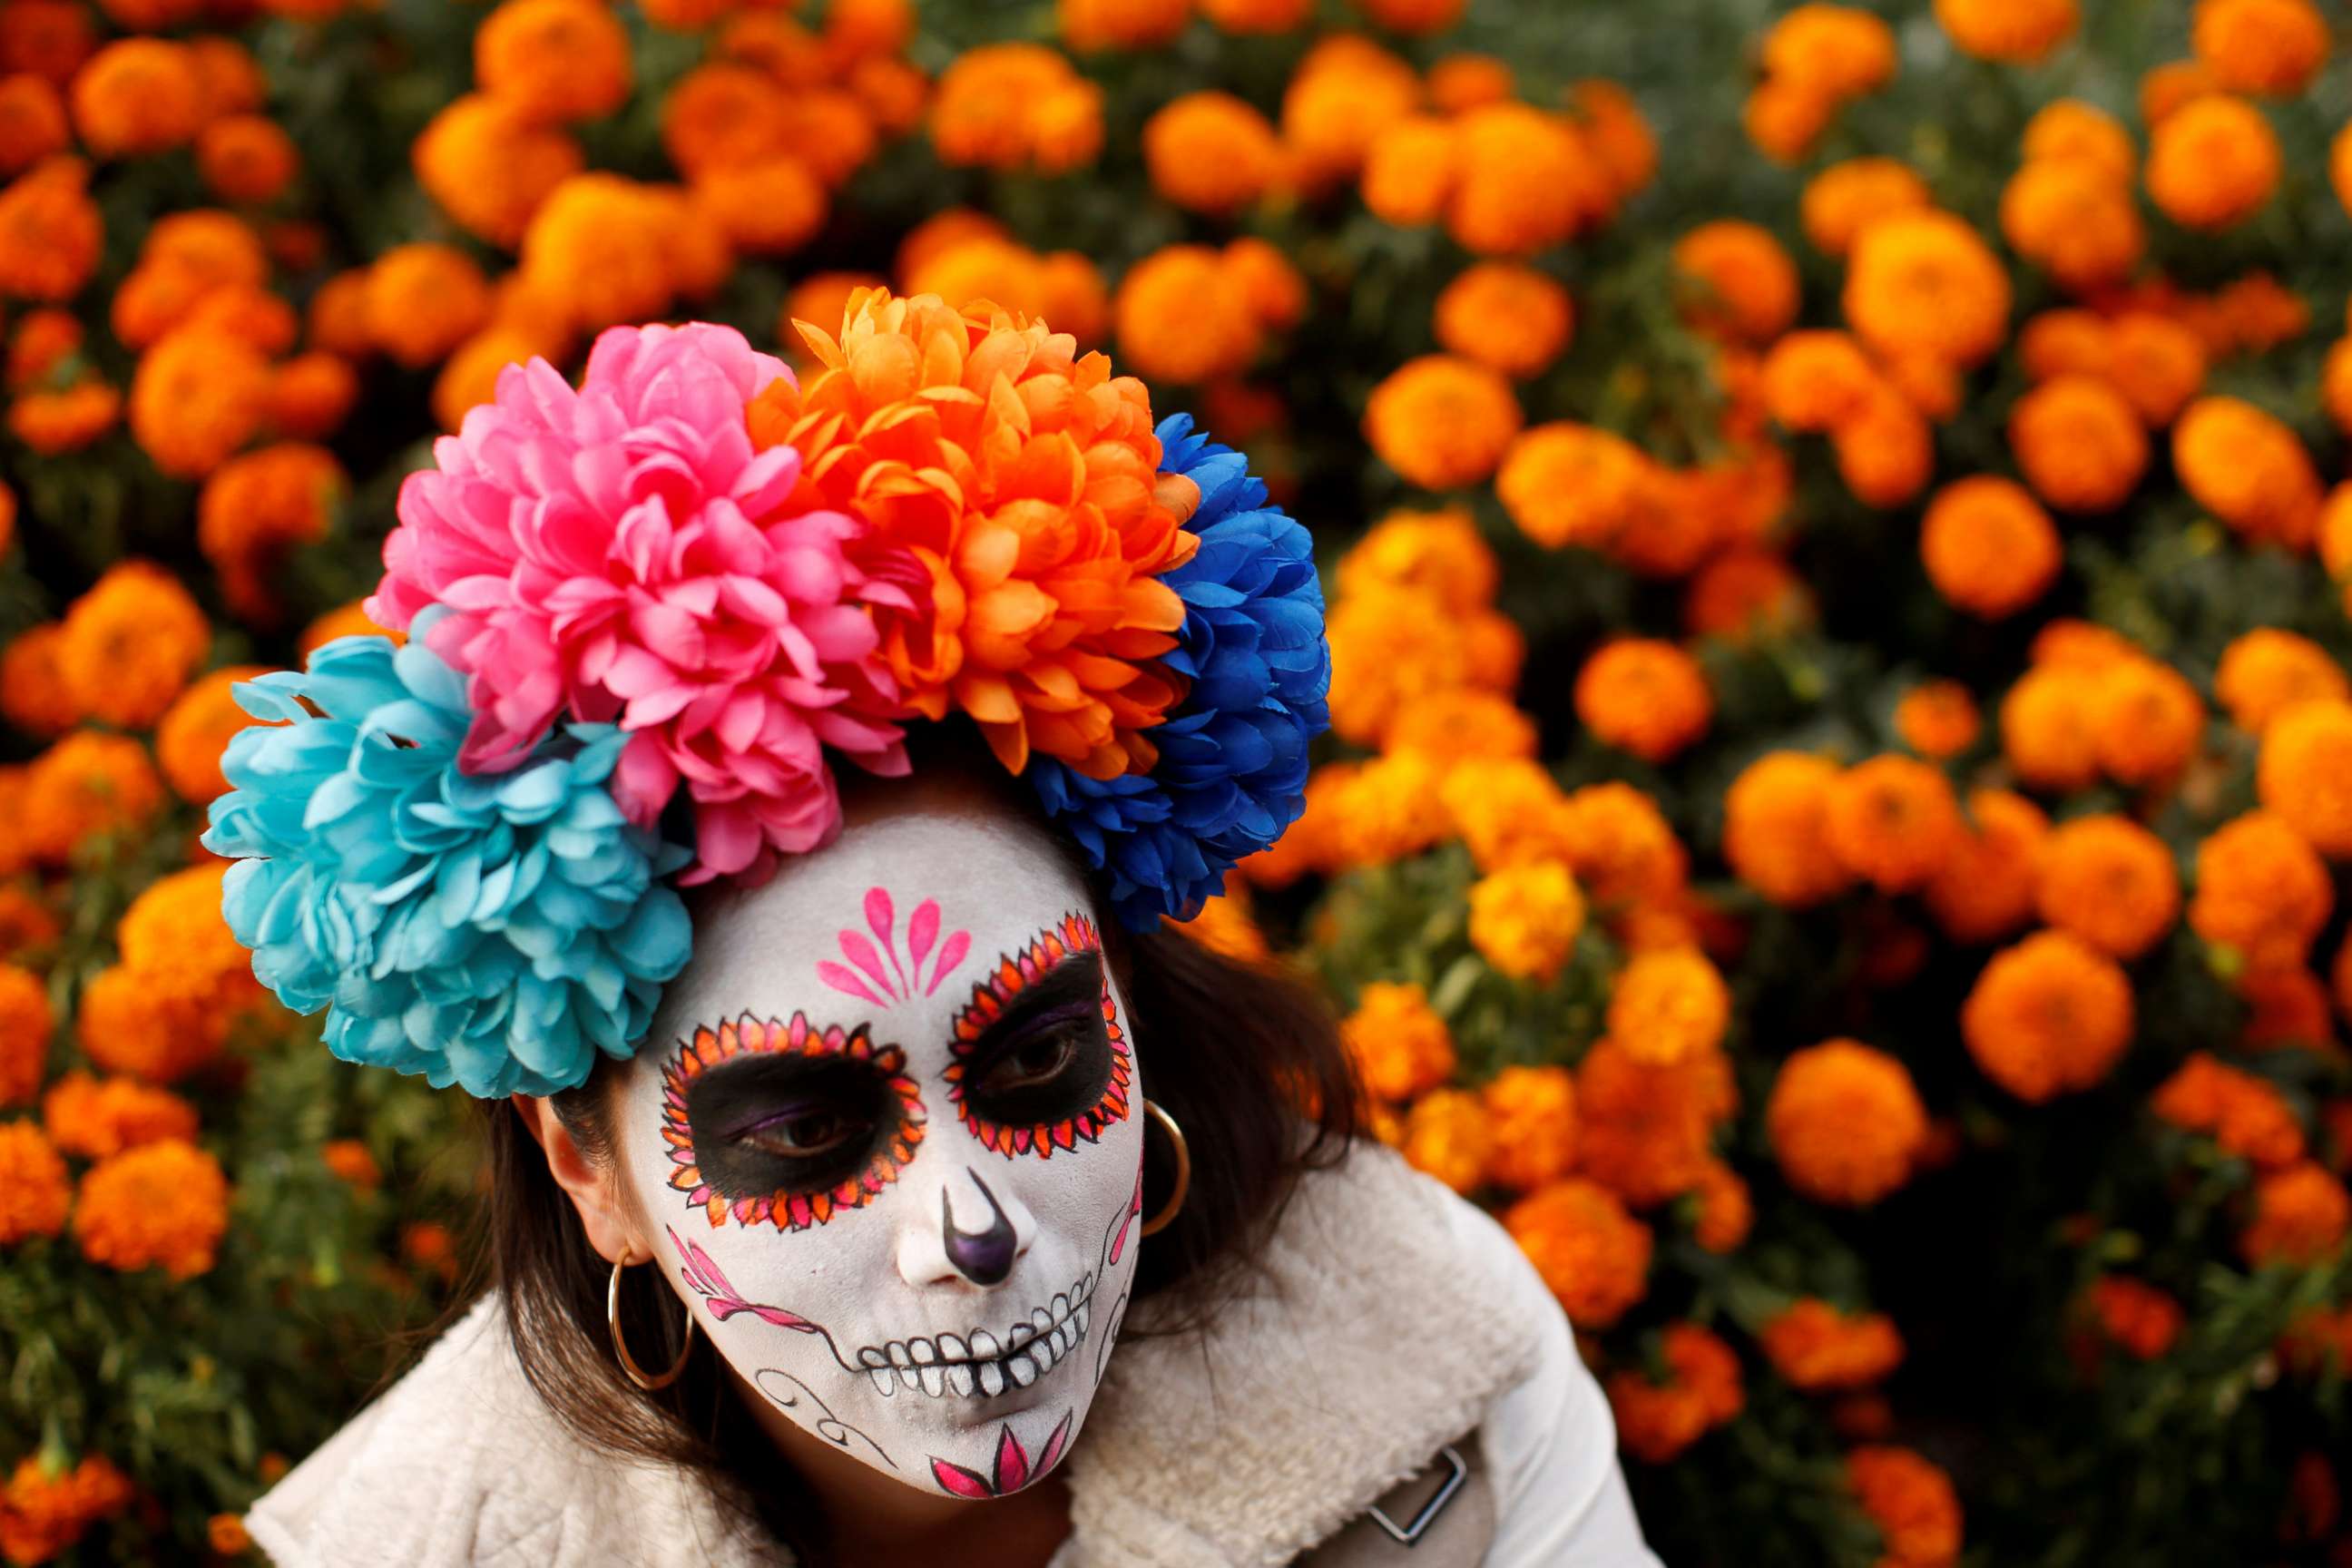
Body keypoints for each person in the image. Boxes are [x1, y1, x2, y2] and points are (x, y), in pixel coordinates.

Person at [207, 307, 1660, 1566]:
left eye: (1036, 1066)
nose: (968, 1231)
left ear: (1130, 1023)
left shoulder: (1437, 1355)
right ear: (595, 1173)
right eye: (799, 1134)